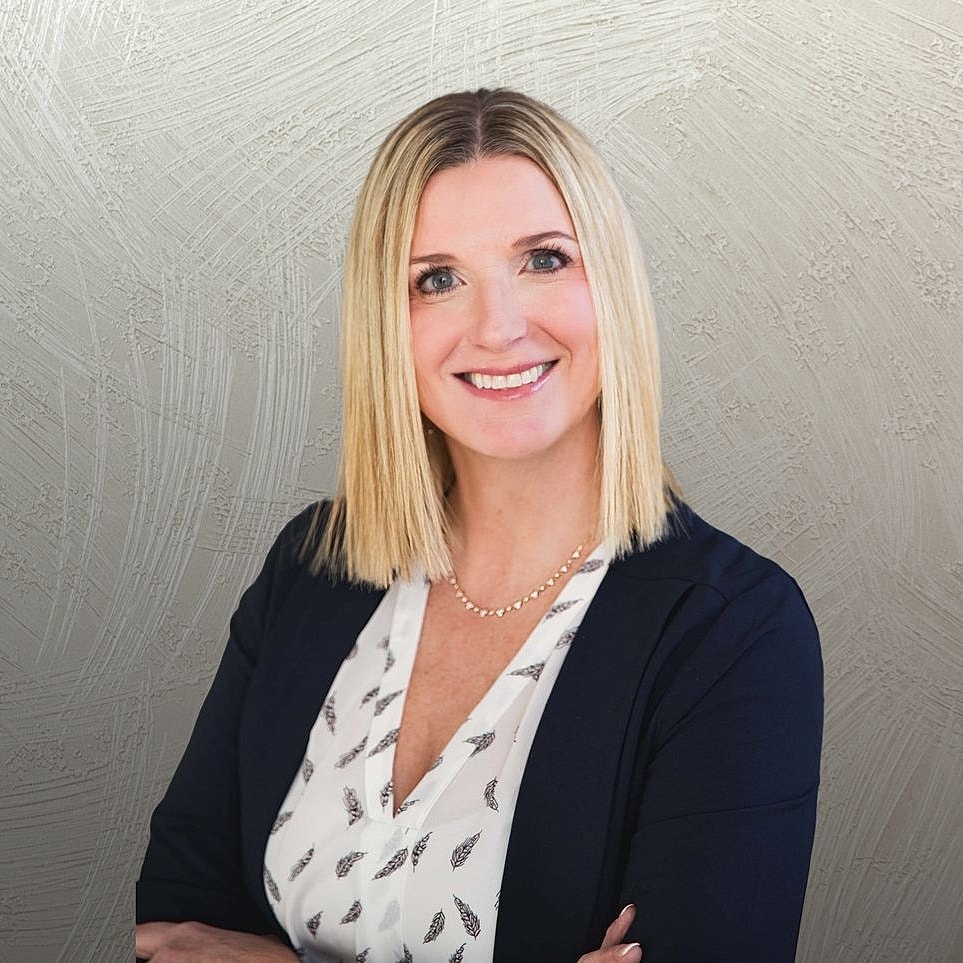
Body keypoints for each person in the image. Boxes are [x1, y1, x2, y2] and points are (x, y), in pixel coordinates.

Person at [135, 89, 823, 962]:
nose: (497, 327)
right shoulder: (312, 566)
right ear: (387, 322)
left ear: (610, 282)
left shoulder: (733, 632)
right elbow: (168, 927)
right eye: (436, 279)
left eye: (543, 259)